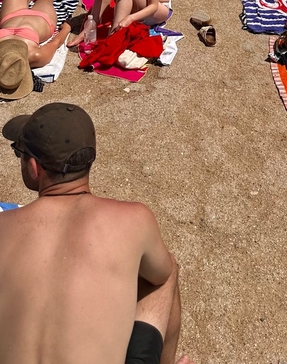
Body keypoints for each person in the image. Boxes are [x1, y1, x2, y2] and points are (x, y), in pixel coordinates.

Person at [0, 102, 192, 364]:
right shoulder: (134, 219)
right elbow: (160, 273)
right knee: (166, 271)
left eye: (18, 153)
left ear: (34, 167)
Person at [0, 0, 72, 97]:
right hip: (41, 19)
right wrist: (66, 29)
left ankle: (25, 2)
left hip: (11, 16)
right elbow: (55, 43)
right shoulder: (36, 56)